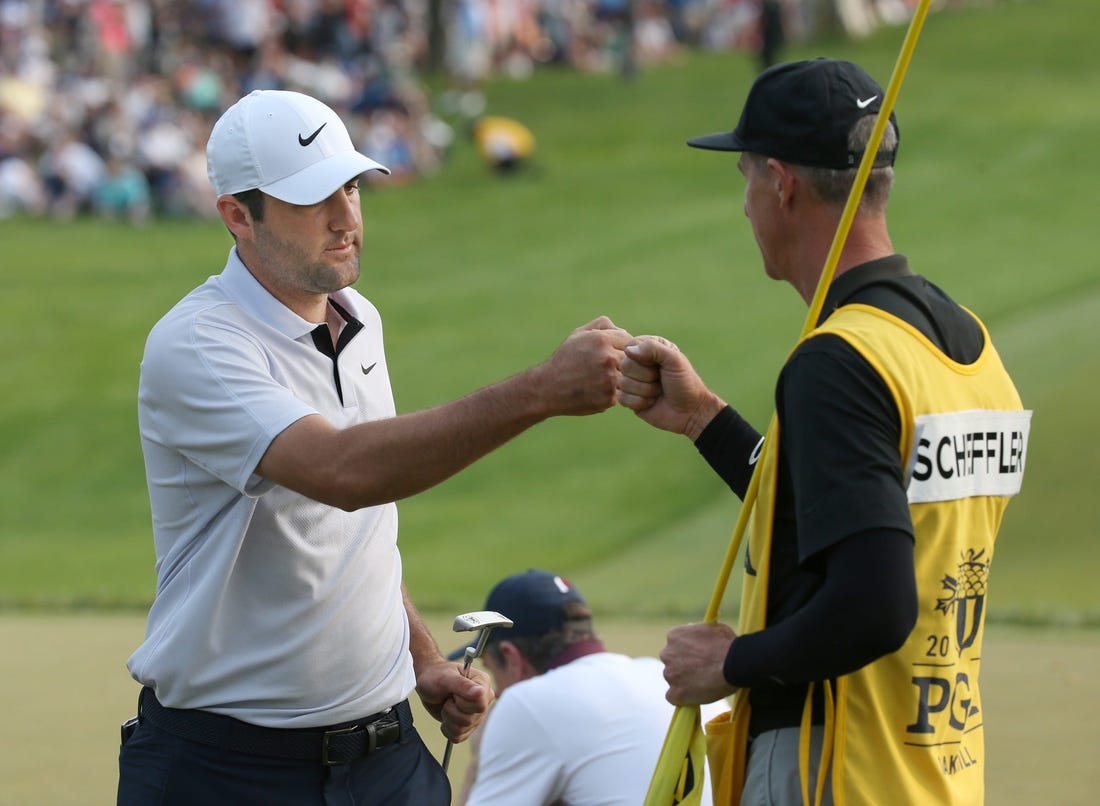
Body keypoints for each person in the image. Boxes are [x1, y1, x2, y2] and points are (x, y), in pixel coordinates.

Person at [118, 89, 632, 806]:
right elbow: (343, 472)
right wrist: (539, 391)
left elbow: (352, 529)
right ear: (237, 215)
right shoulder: (198, 343)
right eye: (310, 199)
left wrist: (422, 658)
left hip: (386, 757)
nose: (345, 218)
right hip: (230, 767)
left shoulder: (360, 320)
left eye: (351, 187)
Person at [617, 58, 1031, 805]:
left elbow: (876, 603)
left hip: (838, 767)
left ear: (782, 182)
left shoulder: (838, 360)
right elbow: (844, 510)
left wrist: (733, 662)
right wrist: (706, 421)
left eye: (745, 176)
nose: (745, 206)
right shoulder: (964, 343)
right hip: (938, 767)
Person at [452, 569, 728, 806]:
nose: (496, 693)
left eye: (490, 668)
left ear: (511, 657)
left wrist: (479, 759)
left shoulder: (527, 702)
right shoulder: (668, 675)